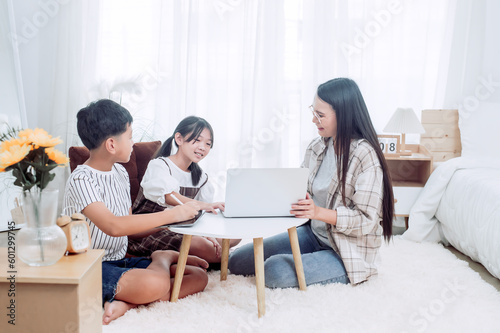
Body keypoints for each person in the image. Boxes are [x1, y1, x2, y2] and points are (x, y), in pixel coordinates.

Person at [228, 78, 394, 288]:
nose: (314, 120)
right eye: (313, 112)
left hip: (345, 249)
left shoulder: (365, 156)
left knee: (274, 270)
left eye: (320, 115)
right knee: (237, 261)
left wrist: (317, 212)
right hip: (312, 234)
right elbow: (299, 190)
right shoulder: (316, 147)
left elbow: (366, 220)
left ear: (343, 115)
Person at [63, 100, 209, 325]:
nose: (133, 143)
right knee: (156, 284)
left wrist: (178, 224)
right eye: (130, 137)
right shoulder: (82, 179)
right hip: (89, 267)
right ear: (111, 145)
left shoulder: (120, 173)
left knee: (198, 277)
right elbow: (113, 226)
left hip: (120, 260)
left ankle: (128, 303)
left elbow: (131, 226)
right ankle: (162, 259)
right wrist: (172, 214)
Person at [129, 116, 240, 263]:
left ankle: (224, 255)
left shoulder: (201, 177)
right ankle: (231, 258)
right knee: (203, 246)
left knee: (235, 236)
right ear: (179, 139)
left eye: (208, 144)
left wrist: (209, 235)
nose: (203, 147)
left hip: (184, 230)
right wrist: (205, 206)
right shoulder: (160, 165)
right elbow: (170, 197)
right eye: (197, 140)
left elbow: (201, 217)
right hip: (150, 231)